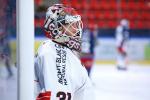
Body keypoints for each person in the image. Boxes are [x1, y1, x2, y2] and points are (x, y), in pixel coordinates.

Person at [34, 4, 94, 100]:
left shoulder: (58, 50)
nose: (77, 30)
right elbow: (56, 95)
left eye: (77, 24)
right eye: (71, 24)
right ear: (57, 28)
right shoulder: (53, 53)